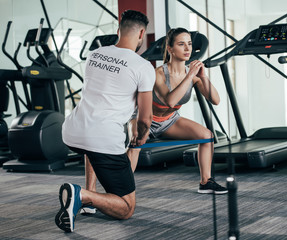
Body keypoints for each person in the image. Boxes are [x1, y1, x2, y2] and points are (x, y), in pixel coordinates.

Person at [83, 27, 227, 206]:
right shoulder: (158, 73)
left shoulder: (193, 76)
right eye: (181, 44)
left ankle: (206, 182)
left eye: (189, 44)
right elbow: (169, 101)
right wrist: (190, 76)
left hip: (169, 121)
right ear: (170, 48)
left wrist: (203, 77)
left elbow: (216, 100)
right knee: (136, 144)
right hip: (144, 118)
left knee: (206, 136)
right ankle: (119, 191)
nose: (187, 49)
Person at [55, 10, 155, 233]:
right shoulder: (142, 67)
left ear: (119, 31)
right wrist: (141, 137)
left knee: (93, 146)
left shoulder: (95, 54)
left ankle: (87, 203)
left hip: (72, 132)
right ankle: (81, 194)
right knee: (127, 208)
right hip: (103, 139)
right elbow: (145, 118)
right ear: (141, 34)